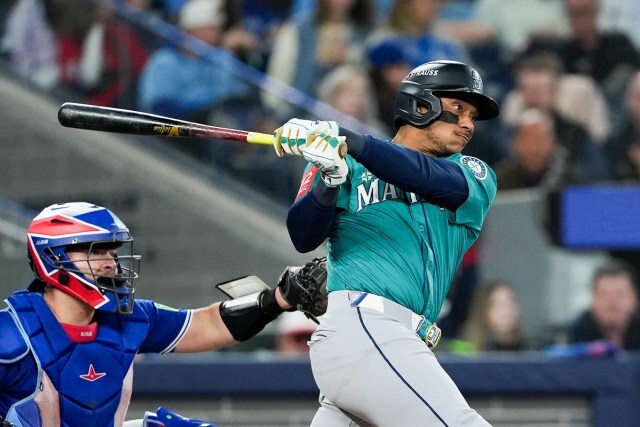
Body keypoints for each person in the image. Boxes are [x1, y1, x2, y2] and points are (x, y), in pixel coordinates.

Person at [273, 59, 499, 426]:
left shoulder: (473, 173)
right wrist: (328, 181)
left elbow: (421, 174)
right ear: (420, 105)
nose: (469, 124)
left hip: (393, 346)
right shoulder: (340, 160)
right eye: (458, 109)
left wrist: (349, 139)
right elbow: (302, 236)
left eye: (473, 115)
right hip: (366, 327)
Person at [0, 202, 311, 425]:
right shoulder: (10, 332)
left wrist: (278, 299)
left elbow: (207, 324)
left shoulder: (130, 317)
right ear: (51, 258)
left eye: (111, 251)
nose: (109, 262)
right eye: (94, 251)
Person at [567, 261, 640, 351]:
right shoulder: (575, 334)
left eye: (620, 294)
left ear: (635, 298)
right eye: (604, 294)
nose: (612, 302)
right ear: (593, 299)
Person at [457, 280, 526, 352]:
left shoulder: (530, 350)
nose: (508, 310)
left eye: (512, 302)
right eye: (500, 304)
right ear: (483, 310)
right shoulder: (465, 349)